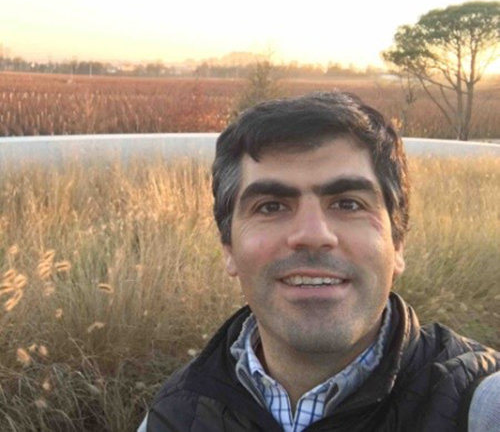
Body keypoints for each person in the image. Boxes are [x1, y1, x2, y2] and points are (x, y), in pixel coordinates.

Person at [140, 93, 500, 432]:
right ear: (229, 249)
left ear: (398, 243)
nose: (313, 234)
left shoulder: (482, 407)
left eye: (348, 204)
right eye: (270, 206)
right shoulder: (174, 416)